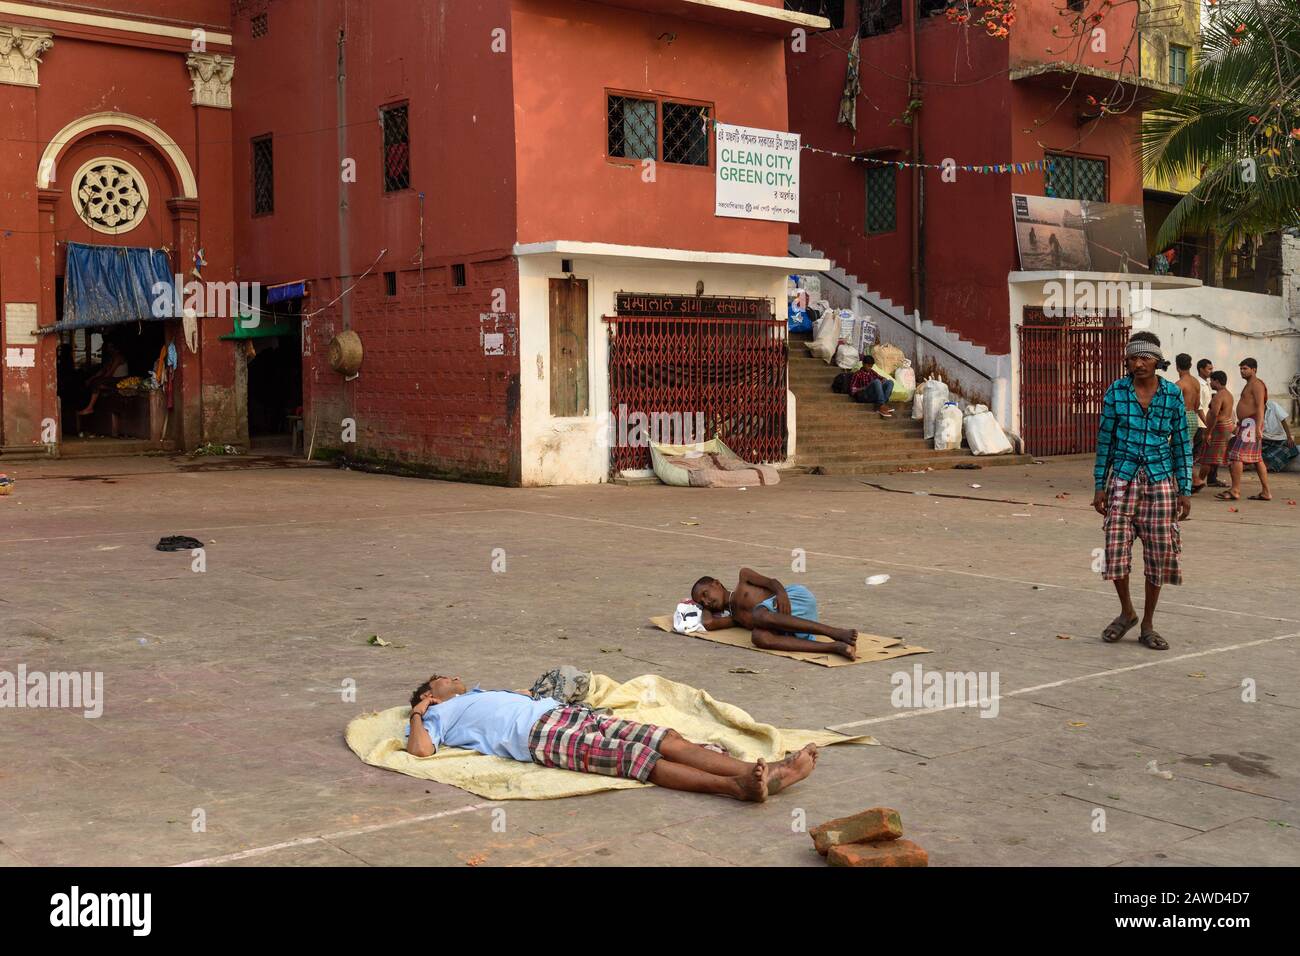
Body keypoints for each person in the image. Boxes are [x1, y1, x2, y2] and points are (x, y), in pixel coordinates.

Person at [403, 674, 818, 802]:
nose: (453, 677)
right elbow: (420, 750)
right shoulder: (437, 713)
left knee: (663, 737)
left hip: (567, 715)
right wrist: (419, 712)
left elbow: (523, 698)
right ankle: (735, 787)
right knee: (636, 758)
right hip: (540, 736)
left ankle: (761, 771)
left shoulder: (477, 694)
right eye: (442, 678)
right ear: (430, 693)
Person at [1093, 331, 1192, 652]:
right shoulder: (1116, 392)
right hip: (1122, 480)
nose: (1139, 364)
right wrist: (1099, 484)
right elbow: (1105, 441)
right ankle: (1127, 612)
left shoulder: (1172, 395)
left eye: (1145, 358)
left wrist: (1184, 489)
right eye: (1133, 358)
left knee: (1160, 554)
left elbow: (1181, 443)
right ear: (1127, 362)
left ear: (1157, 361)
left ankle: (1147, 624)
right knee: (1114, 550)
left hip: (1161, 481)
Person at [691, 568, 859, 661]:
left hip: (794, 599)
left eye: (705, 594)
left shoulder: (744, 578)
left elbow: (771, 582)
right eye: (702, 602)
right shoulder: (736, 617)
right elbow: (709, 623)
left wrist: (781, 593)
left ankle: (835, 632)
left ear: (717, 583)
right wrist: (703, 606)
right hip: (792, 625)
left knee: (758, 614)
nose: (706, 601)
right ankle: (835, 647)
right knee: (758, 637)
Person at [1221, 357, 1271, 502]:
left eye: (1245, 368)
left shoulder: (1257, 384)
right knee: (1257, 459)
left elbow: (1260, 407)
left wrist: (1258, 427)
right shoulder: (1249, 384)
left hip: (1251, 424)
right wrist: (1240, 424)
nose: (1242, 371)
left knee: (1236, 456)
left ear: (1254, 369)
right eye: (1241, 369)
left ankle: (1235, 490)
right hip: (1247, 424)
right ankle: (1266, 492)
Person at [1193, 371, 1235, 493]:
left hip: (1219, 427)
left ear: (1217, 381)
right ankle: (1205, 481)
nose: (1210, 383)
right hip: (1226, 426)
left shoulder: (1219, 396)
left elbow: (1214, 415)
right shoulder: (1228, 394)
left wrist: (1208, 432)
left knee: (1208, 457)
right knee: (1218, 457)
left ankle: (1198, 482)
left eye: (1211, 381)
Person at [76, 336, 130, 417]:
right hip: (112, 379)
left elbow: (110, 373)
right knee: (92, 381)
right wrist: (90, 379)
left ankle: (90, 408)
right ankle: (87, 405)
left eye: (110, 347)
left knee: (97, 383)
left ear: (115, 348)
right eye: (108, 347)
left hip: (121, 381)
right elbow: (102, 371)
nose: (109, 349)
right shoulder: (111, 358)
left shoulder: (118, 357)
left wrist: (100, 381)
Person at [1261, 398, 1298, 474]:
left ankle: (1270, 465)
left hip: (1278, 438)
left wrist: (1289, 437)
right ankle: (1266, 464)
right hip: (1262, 439)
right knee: (1257, 451)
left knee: (1292, 448)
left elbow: (1283, 421)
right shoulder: (1253, 409)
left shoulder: (1273, 405)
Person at [1173, 353, 1201, 453]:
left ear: (1177, 367)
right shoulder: (1195, 382)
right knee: (1188, 447)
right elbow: (1197, 404)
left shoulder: (1179, 384)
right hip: (1193, 417)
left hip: (1183, 417)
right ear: (1190, 365)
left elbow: (1173, 406)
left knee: (1180, 449)